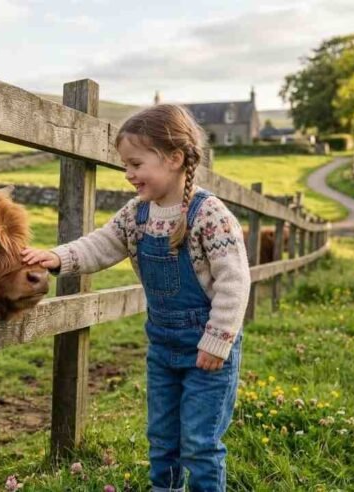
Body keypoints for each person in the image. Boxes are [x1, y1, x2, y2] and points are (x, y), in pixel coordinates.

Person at [22, 104, 250, 492]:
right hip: (162, 346)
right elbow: (101, 245)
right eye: (125, 165)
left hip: (207, 352)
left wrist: (218, 339)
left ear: (175, 158)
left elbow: (235, 280)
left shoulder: (209, 215)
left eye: (136, 164)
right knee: (162, 441)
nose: (128, 174)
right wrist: (59, 257)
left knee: (199, 443)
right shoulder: (136, 215)